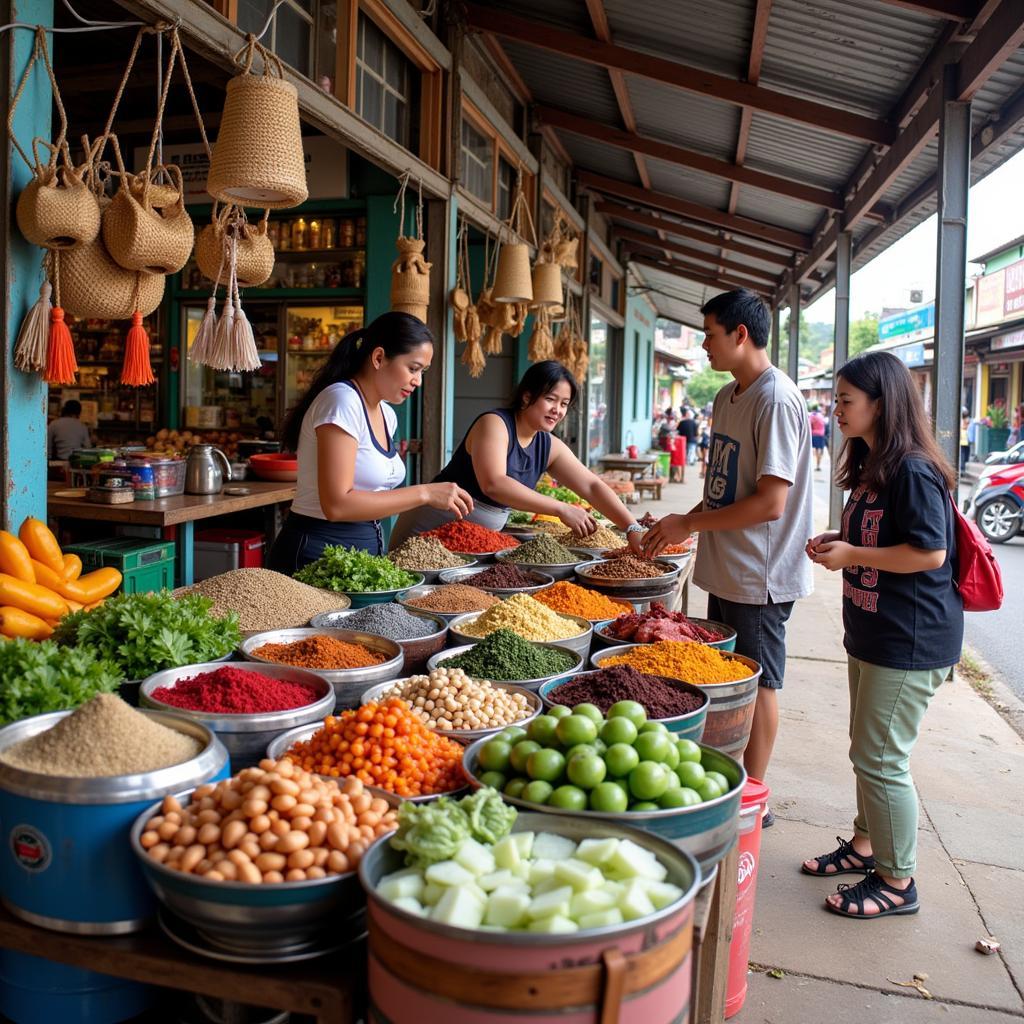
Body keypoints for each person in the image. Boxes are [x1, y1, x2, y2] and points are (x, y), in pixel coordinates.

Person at [643, 289, 814, 826]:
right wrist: (681, 525)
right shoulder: (726, 397)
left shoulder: (776, 399)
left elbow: (769, 502)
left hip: (759, 575)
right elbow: (723, 490)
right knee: (729, 680)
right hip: (728, 566)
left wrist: (689, 524)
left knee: (759, 683)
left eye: (710, 334)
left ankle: (753, 798)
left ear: (741, 335)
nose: (703, 344)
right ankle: (728, 779)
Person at [803, 351, 962, 919]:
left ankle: (898, 881)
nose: (836, 409)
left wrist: (853, 553)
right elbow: (873, 534)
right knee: (866, 751)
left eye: (845, 401)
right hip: (872, 633)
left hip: (909, 641)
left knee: (880, 757)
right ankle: (867, 846)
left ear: (880, 403)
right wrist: (836, 542)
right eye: (836, 399)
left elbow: (930, 552)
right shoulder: (871, 464)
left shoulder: (913, 469)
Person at [267, 312, 473, 572]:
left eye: (422, 372)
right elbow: (337, 505)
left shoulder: (387, 413)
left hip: (361, 555)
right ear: (378, 358)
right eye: (413, 368)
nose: (418, 381)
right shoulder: (342, 401)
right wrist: (425, 493)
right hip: (315, 554)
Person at [389, 360, 645, 550]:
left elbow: (591, 485)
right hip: (428, 531)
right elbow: (494, 483)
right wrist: (561, 508)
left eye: (564, 404)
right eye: (550, 399)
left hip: (473, 541)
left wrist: (632, 527)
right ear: (527, 396)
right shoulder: (495, 424)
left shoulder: (548, 444)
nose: (557, 410)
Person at [809, 404, 828, 471]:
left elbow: (809, 423)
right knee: (819, 450)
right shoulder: (821, 416)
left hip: (814, 434)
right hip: (821, 434)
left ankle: (814, 465)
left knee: (814, 450)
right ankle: (818, 465)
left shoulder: (812, 415)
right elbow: (824, 424)